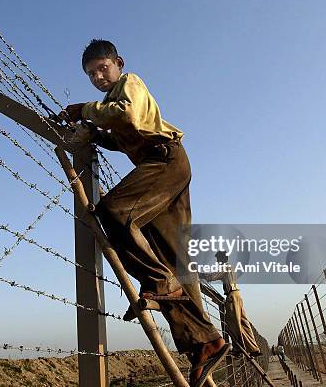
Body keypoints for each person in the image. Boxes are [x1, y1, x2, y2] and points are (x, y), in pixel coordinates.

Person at [61, 39, 230, 387]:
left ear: (118, 63)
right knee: (176, 260)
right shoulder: (108, 105)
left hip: (165, 159)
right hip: (165, 166)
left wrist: (84, 112)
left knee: (114, 212)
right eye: (91, 74)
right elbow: (123, 135)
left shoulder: (129, 84)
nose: (97, 76)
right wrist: (93, 134)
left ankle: (157, 282)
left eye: (102, 68)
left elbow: (128, 115)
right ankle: (206, 343)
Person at [199, 251, 261, 357]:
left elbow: (212, 276)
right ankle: (253, 348)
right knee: (243, 323)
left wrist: (199, 274)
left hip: (232, 296)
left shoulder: (225, 268)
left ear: (222, 259)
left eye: (218, 259)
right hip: (237, 295)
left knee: (233, 324)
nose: (217, 261)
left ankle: (238, 348)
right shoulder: (230, 267)